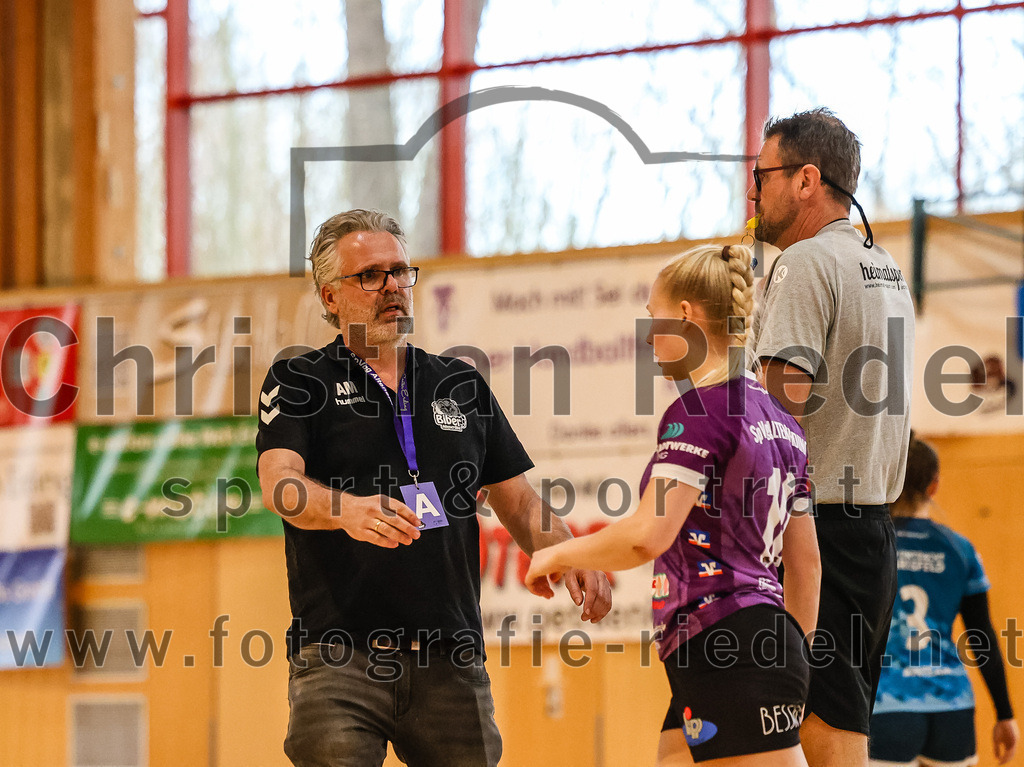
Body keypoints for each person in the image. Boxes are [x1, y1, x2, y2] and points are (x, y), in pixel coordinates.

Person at [255, 208, 612, 767]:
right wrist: (346, 510)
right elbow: (280, 484)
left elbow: (517, 500)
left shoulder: (459, 382)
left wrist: (571, 552)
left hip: (451, 657)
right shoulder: (301, 379)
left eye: (400, 271)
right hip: (339, 658)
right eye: (369, 276)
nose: (392, 287)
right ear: (330, 297)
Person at [525, 243, 822, 766]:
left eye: (653, 318)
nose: (649, 338)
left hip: (725, 641)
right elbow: (807, 565)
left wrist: (558, 554)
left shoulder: (701, 409)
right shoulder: (784, 423)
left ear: (685, 316)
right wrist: (790, 654)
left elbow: (648, 534)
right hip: (752, 640)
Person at [748, 108, 916, 767]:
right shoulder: (884, 267)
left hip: (817, 527)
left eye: (763, 175)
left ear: (807, 179)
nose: (754, 190)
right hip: (873, 528)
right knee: (840, 710)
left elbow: (776, 405)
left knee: (820, 715)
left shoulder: (804, 264)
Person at [869, 433, 1019, 767]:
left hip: (887, 706)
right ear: (934, 485)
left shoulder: (870, 543)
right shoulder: (960, 549)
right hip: (952, 708)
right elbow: (983, 637)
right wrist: (1005, 713)